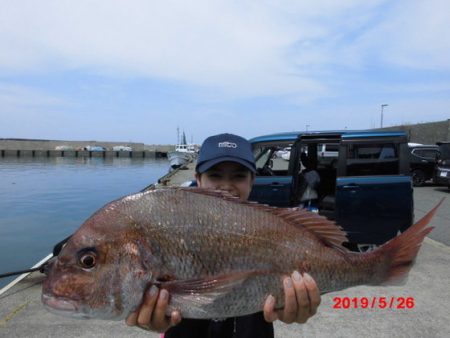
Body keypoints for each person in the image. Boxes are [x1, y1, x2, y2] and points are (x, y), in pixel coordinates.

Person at [126, 133, 321, 337]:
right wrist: (151, 318)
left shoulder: (268, 226)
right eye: (215, 176)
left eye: (238, 176)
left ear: (252, 181)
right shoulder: (169, 225)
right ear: (198, 180)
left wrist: (294, 306)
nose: (227, 186)